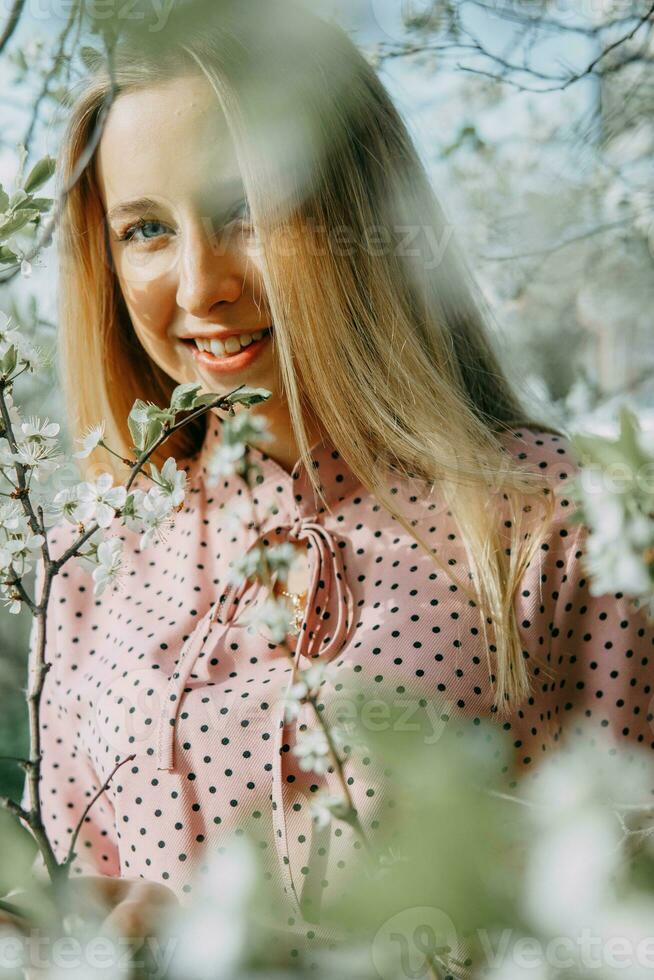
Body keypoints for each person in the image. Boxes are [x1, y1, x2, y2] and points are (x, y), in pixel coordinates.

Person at [10, 0, 654, 964]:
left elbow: (626, 920)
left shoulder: (557, 515)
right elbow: (64, 902)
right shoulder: (94, 563)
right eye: (145, 229)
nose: (198, 288)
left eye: (242, 211)